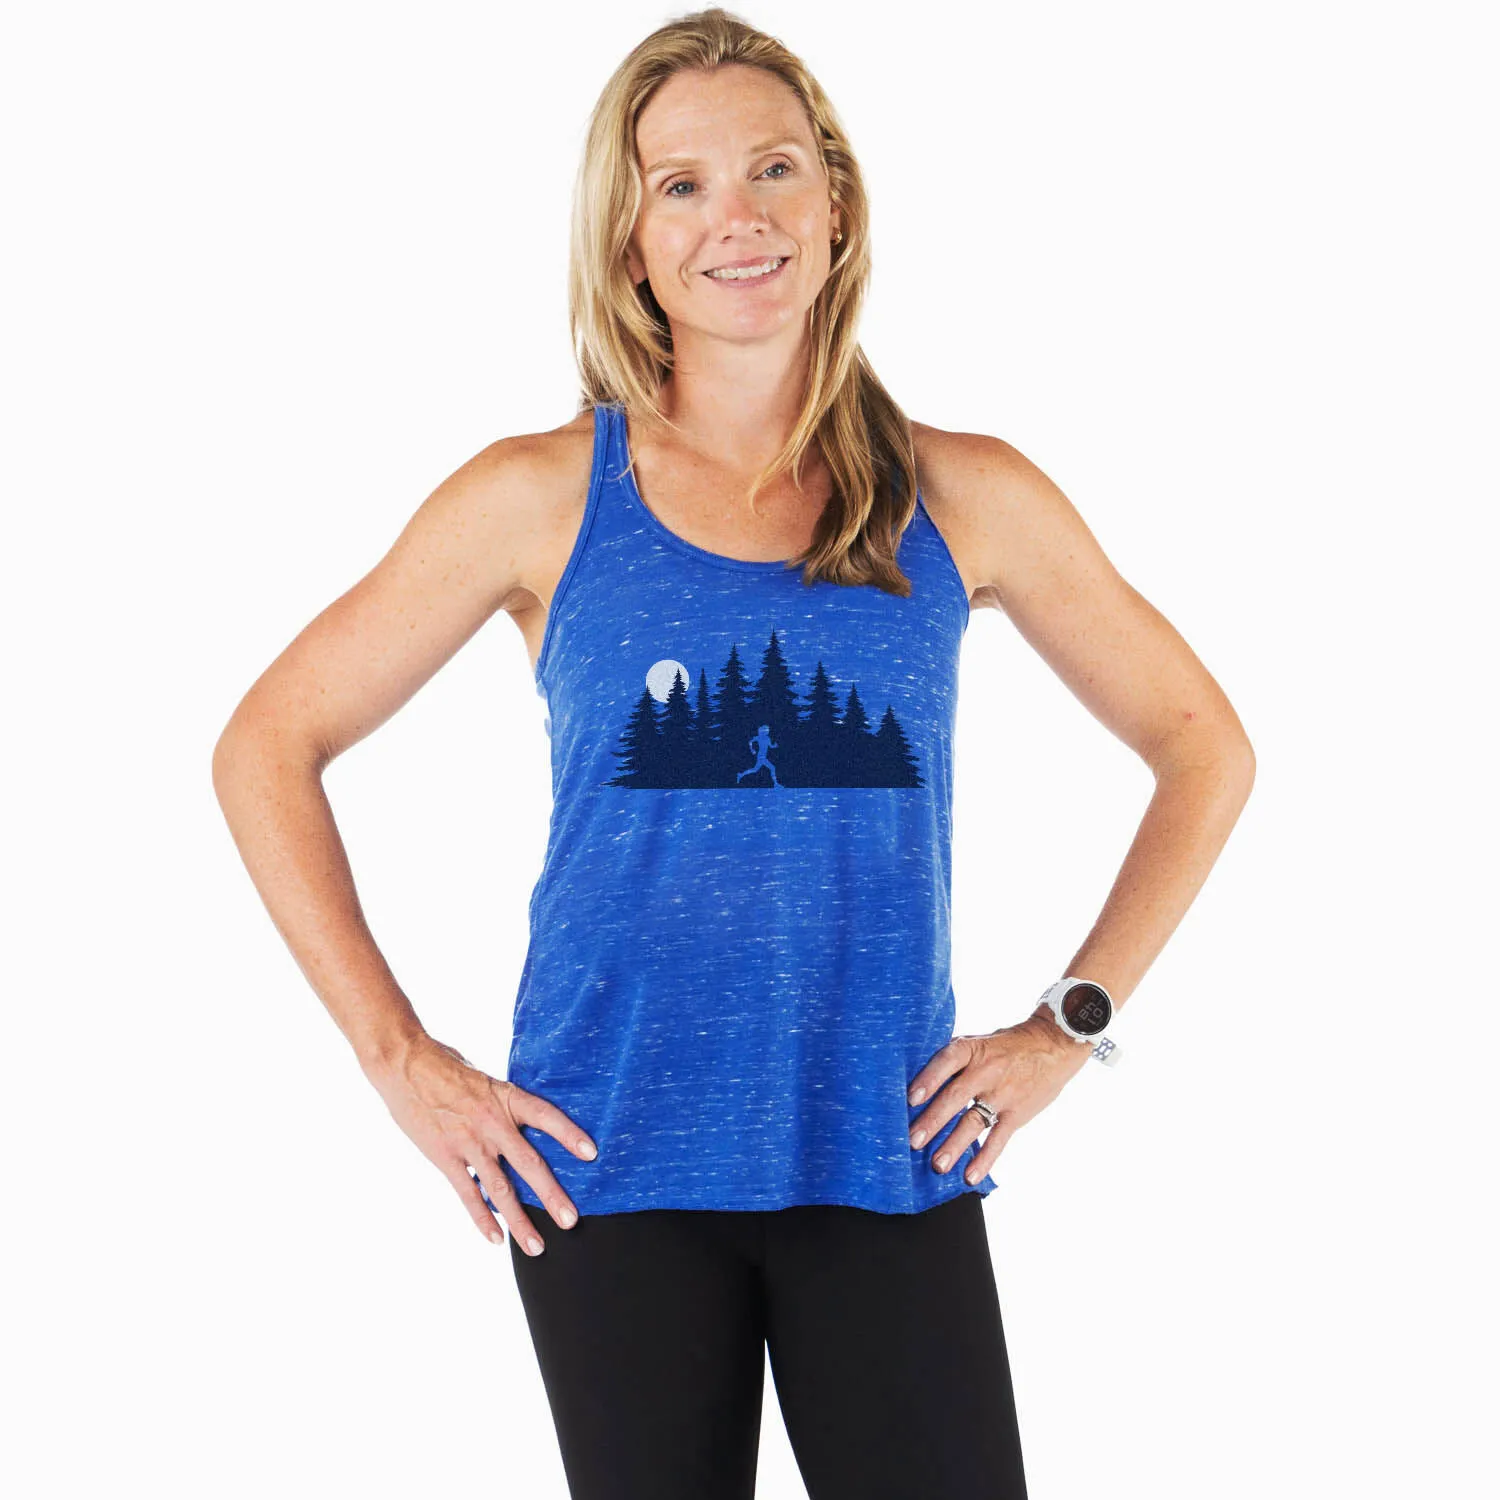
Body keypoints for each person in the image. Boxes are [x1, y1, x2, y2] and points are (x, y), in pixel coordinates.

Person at [211, 9, 1255, 1497]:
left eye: (773, 168)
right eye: (682, 186)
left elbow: (1204, 744)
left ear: (835, 203)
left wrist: (1066, 1025)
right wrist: (398, 1058)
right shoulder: (537, 496)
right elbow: (267, 743)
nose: (738, 218)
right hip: (606, 1156)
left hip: (884, 1147)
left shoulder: (967, 494)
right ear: (630, 241)